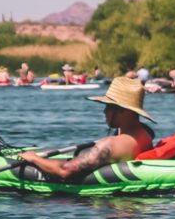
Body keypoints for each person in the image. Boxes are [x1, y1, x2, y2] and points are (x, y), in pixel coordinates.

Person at [14, 77, 156, 181]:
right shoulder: (146, 133)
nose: (104, 112)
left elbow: (65, 171)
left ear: (124, 110)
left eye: (108, 106)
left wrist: (34, 158)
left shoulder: (109, 145)